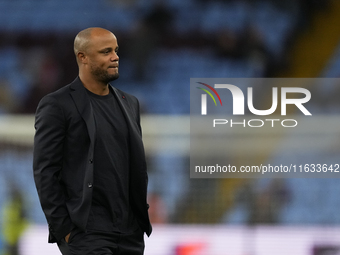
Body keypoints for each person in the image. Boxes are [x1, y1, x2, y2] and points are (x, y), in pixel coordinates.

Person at [33, 27, 152, 255]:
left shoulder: (131, 104)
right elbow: (45, 172)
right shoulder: (57, 105)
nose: (115, 57)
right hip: (86, 233)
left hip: (129, 234)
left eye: (116, 50)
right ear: (83, 57)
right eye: (106, 51)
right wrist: (64, 230)